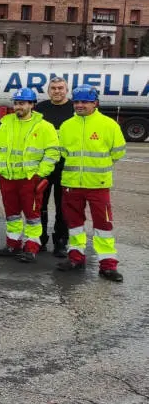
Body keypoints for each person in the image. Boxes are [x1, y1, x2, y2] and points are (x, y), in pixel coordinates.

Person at [55, 85, 126, 282]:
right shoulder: (67, 126)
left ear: (95, 103)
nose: (79, 105)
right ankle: (76, 257)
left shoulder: (109, 125)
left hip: (98, 184)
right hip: (71, 184)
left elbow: (118, 152)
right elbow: (62, 152)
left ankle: (108, 264)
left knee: (103, 225)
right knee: (75, 224)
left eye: (85, 102)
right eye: (77, 101)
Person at [0, 88, 60, 263]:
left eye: (22, 103)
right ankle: (13, 244)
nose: (18, 107)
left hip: (30, 179)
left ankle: (31, 247)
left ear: (32, 104)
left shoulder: (44, 127)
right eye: (16, 103)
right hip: (7, 178)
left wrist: (40, 174)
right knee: (12, 214)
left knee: (32, 216)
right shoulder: (6, 123)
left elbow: (52, 153)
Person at [34, 77, 72, 257]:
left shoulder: (74, 109)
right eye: (53, 88)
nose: (57, 91)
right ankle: (39, 239)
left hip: (66, 168)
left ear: (67, 90)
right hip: (44, 167)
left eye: (60, 88)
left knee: (62, 207)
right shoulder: (40, 109)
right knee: (39, 205)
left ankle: (61, 242)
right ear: (48, 91)